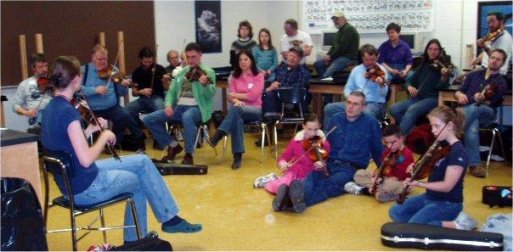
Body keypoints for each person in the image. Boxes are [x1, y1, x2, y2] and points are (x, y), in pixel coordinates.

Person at [41, 56, 202, 244]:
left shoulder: (51, 108)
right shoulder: (68, 111)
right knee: (138, 181)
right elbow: (85, 159)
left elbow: (68, 146)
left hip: (73, 181)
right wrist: (103, 136)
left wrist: (90, 130)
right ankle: (136, 241)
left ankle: (170, 218)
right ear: (76, 79)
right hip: (86, 187)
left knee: (142, 161)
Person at [273, 91, 383, 213]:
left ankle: (288, 202)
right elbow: (324, 144)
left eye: (355, 104)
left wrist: (383, 172)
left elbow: (378, 151)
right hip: (328, 163)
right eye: (349, 102)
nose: (350, 107)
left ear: (363, 107)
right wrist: (319, 158)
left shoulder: (371, 123)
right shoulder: (336, 119)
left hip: (349, 168)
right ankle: (292, 197)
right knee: (311, 177)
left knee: (329, 185)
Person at [389, 105, 469, 230]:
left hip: (448, 203)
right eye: (431, 126)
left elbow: (447, 186)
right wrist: (415, 168)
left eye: (437, 126)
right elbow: (432, 169)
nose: (433, 130)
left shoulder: (458, 152)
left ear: (449, 125)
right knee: (395, 212)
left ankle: (459, 224)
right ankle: (424, 223)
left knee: (415, 226)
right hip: (430, 197)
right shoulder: (440, 145)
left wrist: (420, 184)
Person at [143, 42, 216, 165]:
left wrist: (204, 84)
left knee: (187, 117)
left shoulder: (208, 72)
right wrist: (168, 105)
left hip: (198, 108)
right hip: (180, 106)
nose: (191, 60)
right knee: (149, 119)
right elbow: (171, 91)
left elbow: (210, 95)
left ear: (200, 55)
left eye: (194, 57)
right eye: (188, 57)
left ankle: (189, 154)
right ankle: (173, 146)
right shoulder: (182, 72)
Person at [81, 44, 145, 151]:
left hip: (112, 107)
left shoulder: (113, 70)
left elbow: (121, 92)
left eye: (105, 59)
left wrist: (123, 85)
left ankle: (112, 143)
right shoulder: (84, 70)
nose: (103, 62)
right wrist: (95, 90)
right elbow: (77, 89)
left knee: (124, 115)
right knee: (79, 120)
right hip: (91, 110)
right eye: (99, 59)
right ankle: (85, 148)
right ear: (92, 57)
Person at [454, 49, 507, 178]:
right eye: (492, 57)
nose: (494, 61)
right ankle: (474, 165)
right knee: (472, 124)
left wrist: (478, 99)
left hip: (486, 113)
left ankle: (456, 129)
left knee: (475, 108)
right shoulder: (474, 75)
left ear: (503, 63)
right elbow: (458, 92)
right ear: (488, 59)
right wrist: (460, 95)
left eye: (498, 59)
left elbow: (490, 103)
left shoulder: (501, 83)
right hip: (471, 114)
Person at [208, 50, 264, 170]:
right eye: (240, 60)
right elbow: (230, 96)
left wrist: (236, 96)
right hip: (238, 109)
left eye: (245, 59)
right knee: (237, 117)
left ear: (251, 61)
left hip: (255, 110)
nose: (243, 62)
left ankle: (219, 134)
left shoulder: (258, 76)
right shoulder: (233, 76)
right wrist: (236, 101)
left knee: (236, 110)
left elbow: (253, 96)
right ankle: (237, 156)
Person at [267, 113, 331, 211]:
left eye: (316, 129)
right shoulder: (296, 141)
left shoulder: (323, 143)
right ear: (303, 126)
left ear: (319, 127)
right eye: (309, 129)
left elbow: (325, 164)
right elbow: (284, 156)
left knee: (306, 186)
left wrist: (321, 164)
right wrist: (283, 163)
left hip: (311, 174)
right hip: (294, 172)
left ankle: (286, 200)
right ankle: (284, 196)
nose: (312, 133)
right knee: (285, 182)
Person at [388, 39, 451, 135]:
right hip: (418, 98)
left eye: (436, 49)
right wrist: (409, 87)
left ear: (440, 51)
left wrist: (444, 76)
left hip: (432, 99)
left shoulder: (443, 67)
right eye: (430, 49)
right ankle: (416, 132)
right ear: (427, 50)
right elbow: (408, 81)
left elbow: (443, 86)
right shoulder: (424, 65)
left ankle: (398, 138)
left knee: (412, 109)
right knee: (393, 109)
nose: (433, 52)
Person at [323, 44, 388, 123]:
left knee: (365, 113)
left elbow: (383, 94)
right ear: (362, 58)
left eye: (373, 59)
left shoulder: (381, 70)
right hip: (355, 102)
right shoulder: (356, 70)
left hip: (374, 103)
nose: (371, 62)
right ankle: (329, 134)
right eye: (367, 60)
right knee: (329, 108)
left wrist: (381, 85)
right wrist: (351, 99)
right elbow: (348, 87)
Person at [350, 124, 413, 202]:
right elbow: (382, 167)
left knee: (394, 185)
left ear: (401, 139)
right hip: (384, 180)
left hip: (398, 182)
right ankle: (380, 192)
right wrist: (376, 175)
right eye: (386, 143)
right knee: (359, 173)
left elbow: (397, 177)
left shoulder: (406, 154)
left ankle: (369, 190)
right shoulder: (388, 151)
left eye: (392, 142)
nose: (389, 146)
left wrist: (380, 180)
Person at [262, 46, 311, 118]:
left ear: (299, 59)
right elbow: (272, 81)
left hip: (293, 100)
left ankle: (271, 122)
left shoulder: (303, 72)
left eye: (295, 57)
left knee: (269, 95)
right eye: (290, 55)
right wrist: (272, 86)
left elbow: (297, 88)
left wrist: (279, 86)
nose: (292, 58)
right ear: (287, 56)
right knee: (265, 94)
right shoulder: (280, 68)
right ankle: (268, 122)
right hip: (278, 98)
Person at [125, 47, 168, 125]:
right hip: (143, 99)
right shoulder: (136, 72)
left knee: (160, 110)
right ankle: (139, 132)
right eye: (145, 62)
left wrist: (165, 80)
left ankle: (158, 133)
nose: (148, 64)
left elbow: (166, 88)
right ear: (140, 60)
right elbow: (134, 93)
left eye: (150, 61)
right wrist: (141, 91)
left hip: (157, 97)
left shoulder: (159, 69)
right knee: (126, 111)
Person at [12, 53, 51, 134]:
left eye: (46, 66)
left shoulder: (54, 82)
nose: (44, 69)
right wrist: (26, 112)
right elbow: (15, 106)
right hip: (36, 124)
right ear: (33, 68)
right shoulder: (25, 84)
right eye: (40, 67)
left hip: (53, 120)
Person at [314, 11, 359, 79]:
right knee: (318, 64)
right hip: (339, 56)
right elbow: (334, 47)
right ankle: (326, 81)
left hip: (347, 57)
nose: (335, 21)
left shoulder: (349, 29)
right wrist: (328, 55)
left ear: (343, 19)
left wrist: (330, 58)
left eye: (337, 19)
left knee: (327, 75)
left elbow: (342, 48)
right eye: (334, 19)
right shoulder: (339, 32)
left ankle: (326, 80)